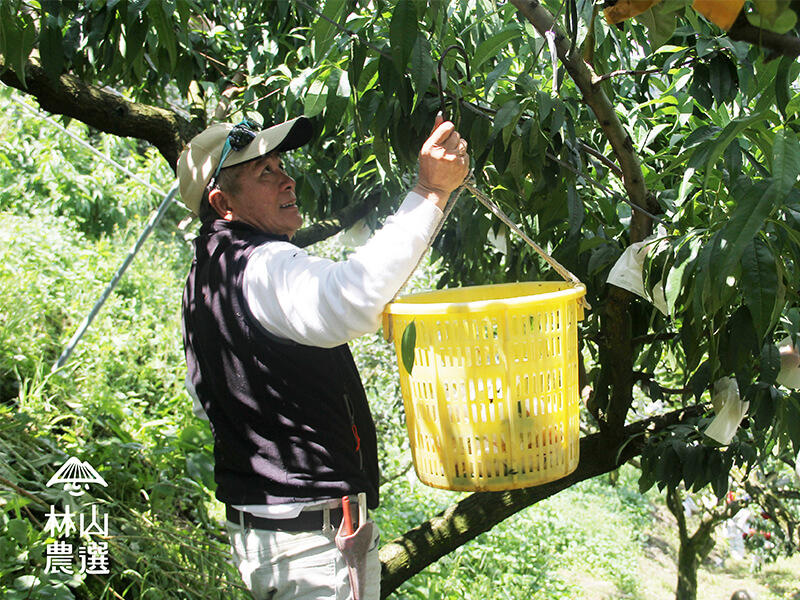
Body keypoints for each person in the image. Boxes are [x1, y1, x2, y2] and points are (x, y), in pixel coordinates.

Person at [176, 112, 469, 600]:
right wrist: (431, 190)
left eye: (280, 163)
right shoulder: (261, 263)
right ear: (223, 203)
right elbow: (348, 299)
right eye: (263, 172)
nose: (287, 178)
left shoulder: (205, 279)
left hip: (269, 531)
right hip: (310, 541)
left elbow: (213, 391)